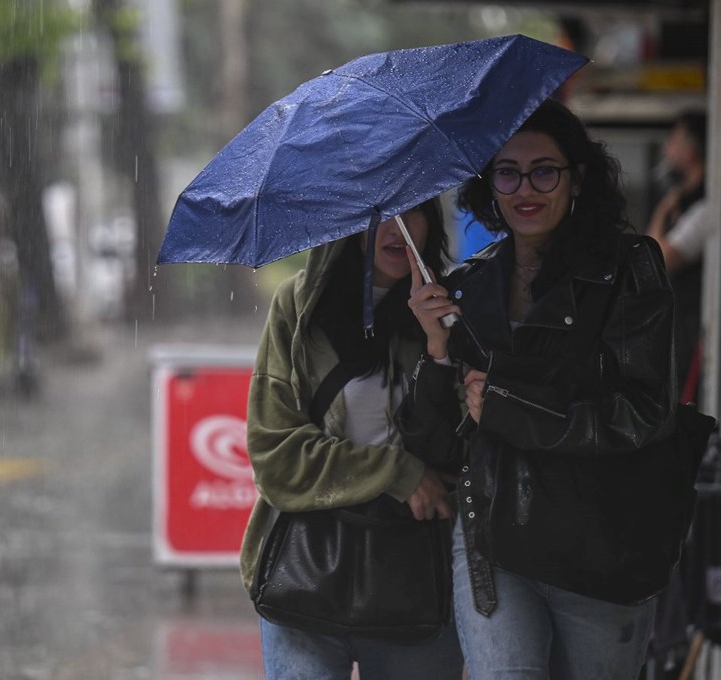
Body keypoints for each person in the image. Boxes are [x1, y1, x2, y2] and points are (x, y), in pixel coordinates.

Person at [403, 99, 677, 679]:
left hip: (602, 541)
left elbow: (642, 412)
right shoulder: (467, 286)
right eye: (507, 171)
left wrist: (509, 404)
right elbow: (440, 448)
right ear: (489, 184)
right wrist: (433, 348)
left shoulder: (629, 268)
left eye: (544, 170)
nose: (525, 187)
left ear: (577, 179)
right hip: (491, 540)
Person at [240, 198, 464, 680]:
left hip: (415, 576)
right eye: (379, 210)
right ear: (349, 223)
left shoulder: (454, 310)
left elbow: (455, 456)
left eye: (414, 210)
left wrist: (438, 349)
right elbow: (276, 454)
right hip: (307, 567)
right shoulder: (299, 309)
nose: (397, 226)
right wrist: (397, 472)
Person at [645, 110, 710, 402]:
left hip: (695, 329)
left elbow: (658, 258)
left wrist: (662, 210)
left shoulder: (707, 202)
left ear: (693, 148)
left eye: (675, 139)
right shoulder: (682, 197)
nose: (668, 147)